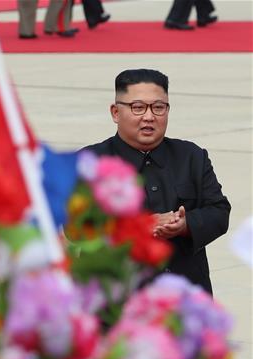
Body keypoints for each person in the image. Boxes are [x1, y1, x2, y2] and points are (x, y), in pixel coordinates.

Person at [84, 68, 231, 294]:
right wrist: (140, 227)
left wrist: (186, 225)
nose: (149, 117)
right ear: (115, 112)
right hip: (116, 302)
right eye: (138, 107)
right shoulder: (91, 163)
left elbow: (219, 211)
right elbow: (78, 229)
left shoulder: (191, 156)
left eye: (158, 107)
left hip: (185, 301)